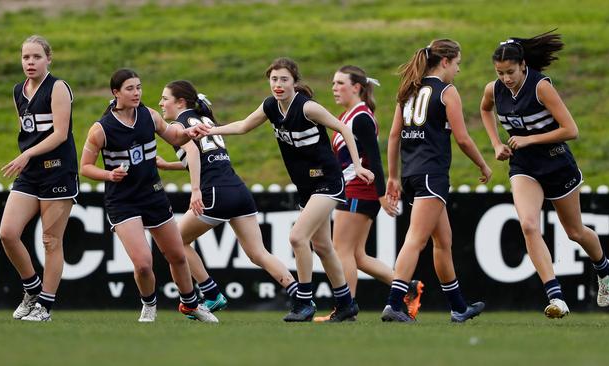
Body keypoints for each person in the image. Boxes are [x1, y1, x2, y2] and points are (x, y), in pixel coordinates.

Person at [198, 57, 374, 322]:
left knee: (297, 237)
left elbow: (343, 128)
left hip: (327, 180)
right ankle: (347, 304)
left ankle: (304, 302)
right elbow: (244, 126)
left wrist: (358, 165)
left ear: (294, 82)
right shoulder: (270, 106)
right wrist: (210, 131)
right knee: (323, 246)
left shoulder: (307, 108)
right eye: (274, 79)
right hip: (307, 187)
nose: (278, 85)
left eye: (284, 79)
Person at [480, 31, 609, 318]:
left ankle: (604, 268)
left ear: (523, 66)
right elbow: (485, 110)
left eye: (510, 72)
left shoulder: (541, 86)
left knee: (575, 232)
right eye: (500, 73)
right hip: (523, 166)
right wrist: (496, 143)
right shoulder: (493, 89)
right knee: (528, 225)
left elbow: (571, 130)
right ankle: (556, 298)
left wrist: (530, 139)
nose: (505, 78)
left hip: (556, 163)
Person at [79, 68, 217, 323]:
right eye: (130, 88)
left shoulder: (149, 116)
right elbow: (85, 167)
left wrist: (188, 133)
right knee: (143, 263)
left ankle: (190, 304)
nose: (136, 93)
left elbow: (172, 134)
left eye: (139, 87)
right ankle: (149, 305)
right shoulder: (101, 129)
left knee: (176, 255)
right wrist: (109, 175)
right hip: (122, 200)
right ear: (115, 93)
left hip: (152, 194)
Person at [156, 80, 299, 313]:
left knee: (176, 243)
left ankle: (211, 293)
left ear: (180, 102)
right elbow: (207, 160)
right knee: (258, 253)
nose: (161, 103)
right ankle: (300, 296)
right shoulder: (206, 119)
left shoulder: (179, 124)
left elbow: (193, 153)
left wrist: (195, 190)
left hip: (214, 192)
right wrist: (168, 166)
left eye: (165, 98)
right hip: (238, 190)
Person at [381, 39, 492, 323]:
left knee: (443, 241)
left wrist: (393, 175)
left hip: (412, 173)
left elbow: (394, 136)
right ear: (445, 62)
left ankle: (458, 308)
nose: (457, 70)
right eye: (457, 64)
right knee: (416, 239)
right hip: (433, 173)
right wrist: (483, 164)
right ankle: (394, 303)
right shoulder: (447, 92)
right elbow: (463, 138)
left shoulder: (409, 89)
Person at [315, 65, 424, 322]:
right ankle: (407, 286)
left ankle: (346, 308)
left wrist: (381, 195)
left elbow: (374, 160)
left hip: (358, 190)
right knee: (358, 256)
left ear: (357, 87)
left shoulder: (361, 117)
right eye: (333, 83)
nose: (334, 88)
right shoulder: (348, 115)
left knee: (341, 250)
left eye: (340, 83)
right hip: (354, 190)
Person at [0, 35, 78, 322]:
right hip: (30, 173)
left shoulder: (58, 87)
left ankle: (44, 306)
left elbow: (60, 134)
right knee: (7, 233)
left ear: (48, 59)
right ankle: (31, 288)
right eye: (25, 57)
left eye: (36, 57)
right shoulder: (18, 90)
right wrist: (28, 156)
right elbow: (28, 131)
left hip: (58, 171)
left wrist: (26, 154)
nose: (30, 62)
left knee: (50, 241)